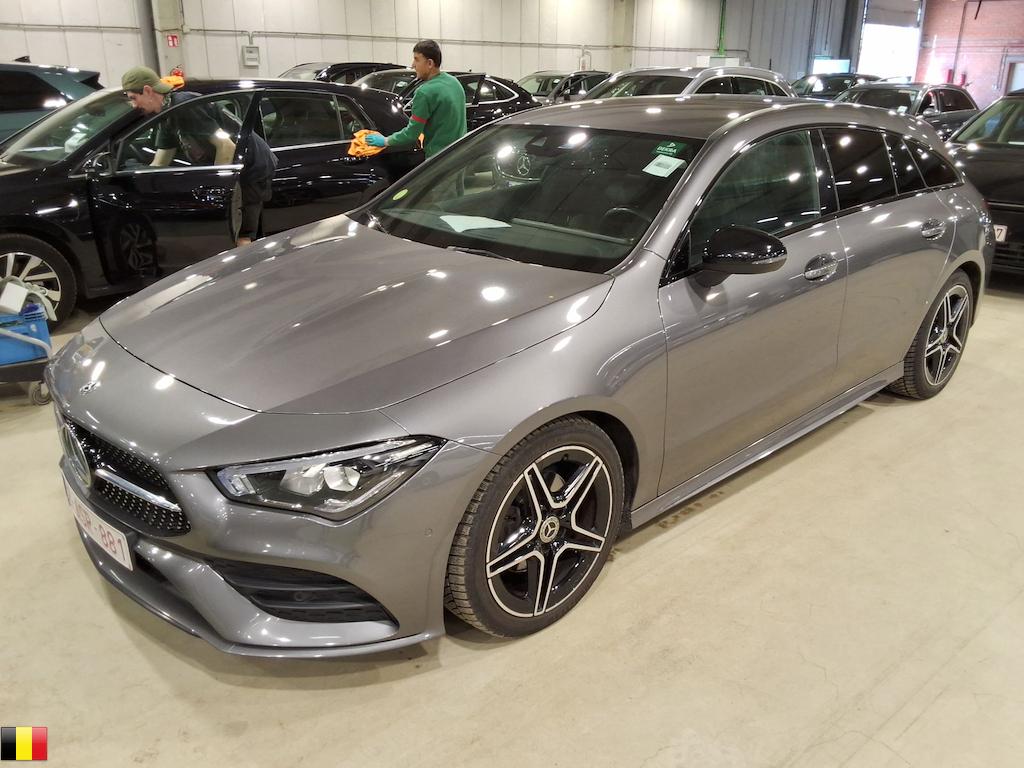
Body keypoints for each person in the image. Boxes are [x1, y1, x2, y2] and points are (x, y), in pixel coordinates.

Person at [121, 66, 277, 246]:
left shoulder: (185, 107)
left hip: (252, 168)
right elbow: (161, 159)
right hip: (236, 165)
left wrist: (217, 188)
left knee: (239, 236)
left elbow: (226, 146)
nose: (133, 105)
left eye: (133, 98)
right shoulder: (167, 114)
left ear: (148, 91)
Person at [365, 40, 466, 158]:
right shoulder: (455, 83)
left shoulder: (424, 92)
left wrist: (385, 141)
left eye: (417, 59)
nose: (413, 65)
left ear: (430, 63)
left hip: (440, 159)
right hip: (461, 155)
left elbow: (412, 134)